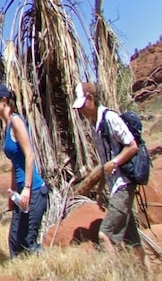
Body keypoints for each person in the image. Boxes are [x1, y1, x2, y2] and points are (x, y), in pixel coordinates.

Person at [72, 82, 151, 271]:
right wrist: (100, 189)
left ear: (91, 98)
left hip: (124, 184)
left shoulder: (110, 118)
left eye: (83, 105)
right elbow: (104, 161)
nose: (81, 110)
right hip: (115, 185)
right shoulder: (94, 124)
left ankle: (119, 275)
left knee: (105, 235)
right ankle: (147, 275)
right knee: (133, 240)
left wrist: (115, 163)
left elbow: (132, 146)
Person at [0, 82, 48, 258]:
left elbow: (29, 155)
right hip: (21, 194)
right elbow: (15, 163)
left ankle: (45, 267)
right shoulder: (7, 126)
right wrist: (12, 195)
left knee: (27, 243)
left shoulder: (16, 121)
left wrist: (27, 188)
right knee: (14, 243)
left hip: (34, 191)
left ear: (4, 100)